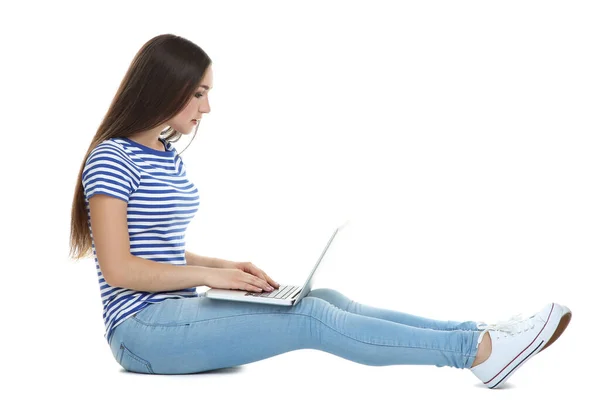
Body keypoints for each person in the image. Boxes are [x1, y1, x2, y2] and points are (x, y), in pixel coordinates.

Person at [68, 33, 572, 388]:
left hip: (173, 312)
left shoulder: (163, 153)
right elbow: (120, 268)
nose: (206, 108)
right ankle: (478, 355)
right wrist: (211, 278)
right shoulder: (112, 157)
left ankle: (479, 333)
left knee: (324, 297)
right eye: (198, 93)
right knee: (309, 317)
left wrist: (225, 267)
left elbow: (158, 246)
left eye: (207, 93)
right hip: (142, 333)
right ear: (165, 87)